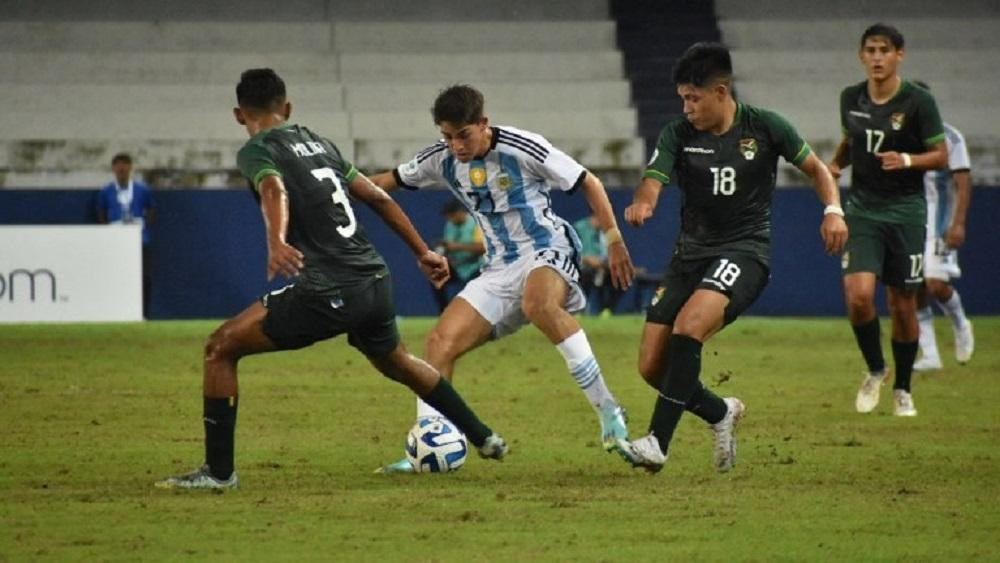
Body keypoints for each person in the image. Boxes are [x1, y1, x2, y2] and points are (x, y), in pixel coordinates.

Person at [155, 69, 507, 489]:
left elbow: (272, 189)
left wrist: (275, 240)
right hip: (375, 279)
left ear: (238, 115)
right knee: (398, 362)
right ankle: (483, 436)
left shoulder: (258, 149)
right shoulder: (319, 143)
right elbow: (377, 196)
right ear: (286, 109)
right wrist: (423, 251)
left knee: (220, 348)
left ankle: (218, 473)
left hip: (331, 287)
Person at [369, 84, 637, 473]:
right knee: (439, 343)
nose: (456, 145)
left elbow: (590, 182)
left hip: (548, 248)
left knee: (539, 304)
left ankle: (608, 408)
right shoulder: (440, 159)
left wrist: (614, 241)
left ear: (483, 123)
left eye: (463, 134)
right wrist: (332, 185)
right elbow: (383, 183)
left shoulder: (522, 147)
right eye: (447, 136)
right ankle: (429, 447)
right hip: (498, 268)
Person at [618, 42, 847, 474]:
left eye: (694, 98)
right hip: (689, 257)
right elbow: (653, 179)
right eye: (682, 98)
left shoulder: (765, 127)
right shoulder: (678, 134)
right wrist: (644, 203)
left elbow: (818, 170)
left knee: (689, 328)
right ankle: (721, 412)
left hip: (744, 252)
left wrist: (833, 210)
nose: (686, 107)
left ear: (721, 92)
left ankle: (656, 443)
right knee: (653, 367)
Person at [828, 24, 948, 417]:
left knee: (901, 304)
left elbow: (942, 155)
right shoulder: (850, 98)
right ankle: (876, 369)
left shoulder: (918, 101)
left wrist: (908, 160)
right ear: (861, 56)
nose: (877, 57)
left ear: (900, 55)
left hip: (906, 212)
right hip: (862, 210)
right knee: (859, 296)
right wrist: (834, 164)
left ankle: (903, 389)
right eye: (871, 50)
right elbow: (853, 140)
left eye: (885, 50)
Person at [909, 82, 974, 371]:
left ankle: (961, 324)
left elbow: (962, 183)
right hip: (909, 224)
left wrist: (958, 223)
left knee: (936, 284)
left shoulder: (950, 137)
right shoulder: (898, 139)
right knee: (913, 288)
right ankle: (931, 355)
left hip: (939, 224)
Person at [96, 153, 155, 318]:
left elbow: (151, 210)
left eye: (125, 165)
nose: (121, 168)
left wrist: (143, 228)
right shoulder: (106, 192)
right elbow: (101, 212)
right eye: (118, 165)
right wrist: (108, 232)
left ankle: (144, 313)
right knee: (116, 276)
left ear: (130, 167)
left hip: (140, 240)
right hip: (116, 240)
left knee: (144, 277)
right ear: (113, 168)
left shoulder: (142, 190)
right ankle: (117, 311)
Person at [432, 199, 485, 312]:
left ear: (459, 212)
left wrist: (457, 247)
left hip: (477, 266)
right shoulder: (450, 225)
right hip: (458, 266)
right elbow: (448, 246)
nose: (449, 219)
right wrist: (441, 251)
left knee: (476, 293)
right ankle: (444, 312)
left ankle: (478, 315)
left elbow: (482, 248)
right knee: (438, 277)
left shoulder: (475, 223)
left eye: (451, 216)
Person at [573, 212, 624, 316]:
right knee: (587, 273)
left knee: (621, 276)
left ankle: (607, 310)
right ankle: (579, 310)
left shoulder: (609, 232)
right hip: (582, 267)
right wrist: (586, 258)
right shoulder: (579, 228)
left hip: (603, 268)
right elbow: (571, 251)